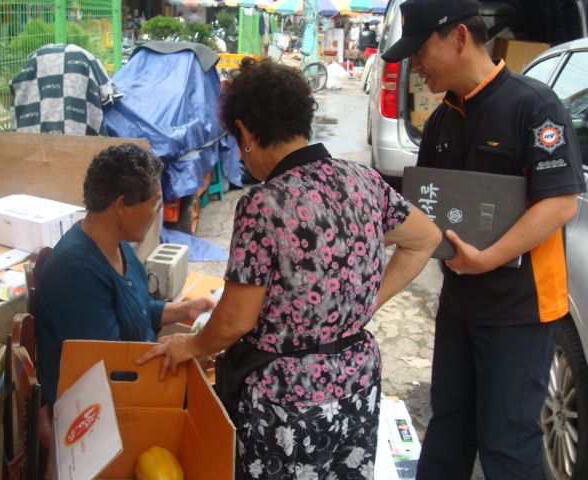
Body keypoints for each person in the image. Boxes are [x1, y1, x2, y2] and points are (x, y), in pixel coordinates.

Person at [135, 57, 441, 479]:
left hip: (288, 402)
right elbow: (426, 238)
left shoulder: (265, 204)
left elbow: (235, 320)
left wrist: (189, 346)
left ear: (245, 133)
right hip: (356, 383)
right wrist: (362, 306)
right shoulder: (363, 180)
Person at [381, 0, 587, 479]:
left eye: (420, 51)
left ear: (458, 37)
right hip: (459, 305)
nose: (416, 66)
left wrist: (488, 258)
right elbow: (423, 212)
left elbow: (559, 204)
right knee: (449, 428)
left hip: (520, 311)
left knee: (507, 444)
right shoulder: (442, 120)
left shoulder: (534, 106)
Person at [34, 143, 215, 406]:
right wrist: (188, 353)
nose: (155, 214)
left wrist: (183, 310)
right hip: (99, 406)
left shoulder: (117, 244)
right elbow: (110, 371)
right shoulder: (77, 271)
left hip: (132, 381)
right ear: (121, 205)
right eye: (153, 204)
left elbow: (134, 311)